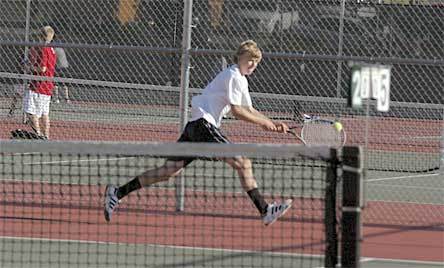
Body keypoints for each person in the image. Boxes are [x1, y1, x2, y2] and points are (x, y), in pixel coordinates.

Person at [104, 40, 292, 226]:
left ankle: (117, 192)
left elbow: (249, 109)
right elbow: (238, 111)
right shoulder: (233, 74)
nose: (253, 64)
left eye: (257, 61)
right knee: (243, 163)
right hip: (204, 125)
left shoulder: (241, 79)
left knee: (168, 171)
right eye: (250, 59)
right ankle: (265, 210)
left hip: (195, 126)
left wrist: (271, 123)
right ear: (239, 57)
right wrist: (264, 124)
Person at [23, 26, 57, 139]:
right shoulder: (52, 50)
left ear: (41, 36)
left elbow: (42, 69)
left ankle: (37, 134)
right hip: (47, 86)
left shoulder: (43, 48)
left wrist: (29, 67)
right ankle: (46, 137)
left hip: (39, 85)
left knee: (30, 111)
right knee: (44, 113)